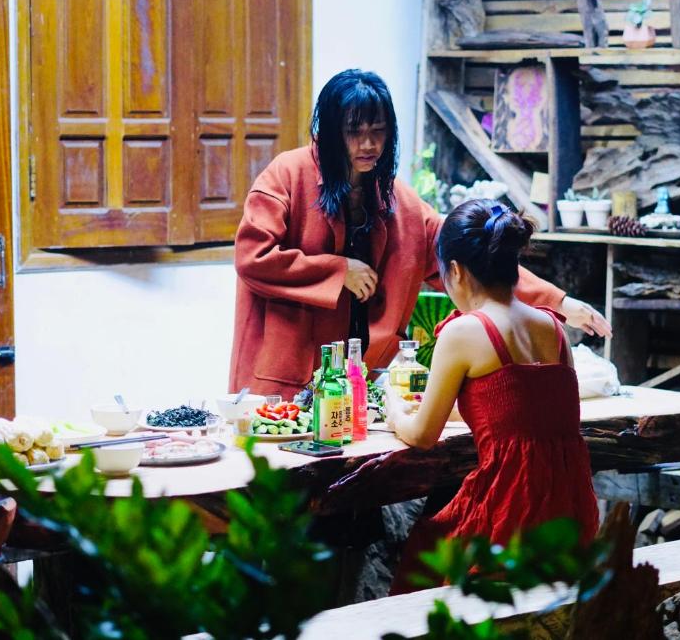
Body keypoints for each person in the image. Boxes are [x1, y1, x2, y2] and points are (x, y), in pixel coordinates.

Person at [231, 69, 610, 398]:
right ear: (330, 132)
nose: (368, 144)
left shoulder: (401, 203)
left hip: (359, 377)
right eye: (354, 132)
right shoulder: (286, 175)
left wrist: (560, 303)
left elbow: (474, 255)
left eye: (378, 131)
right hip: (285, 374)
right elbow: (253, 258)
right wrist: (338, 270)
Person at [386, 199, 599, 594]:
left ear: (455, 271)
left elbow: (421, 436)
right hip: (570, 508)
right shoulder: (553, 328)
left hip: (509, 511)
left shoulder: (465, 331)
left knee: (421, 559)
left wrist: (394, 410)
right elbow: (522, 410)